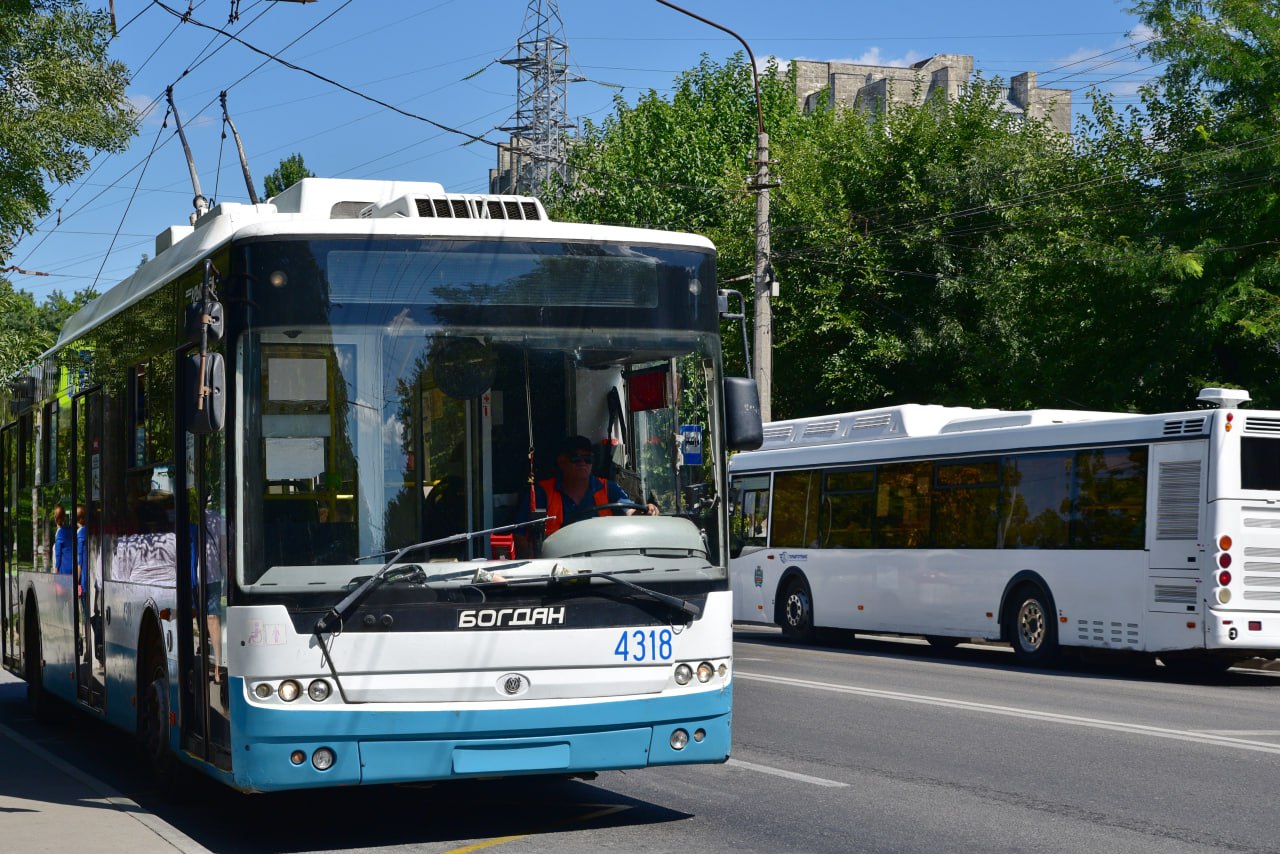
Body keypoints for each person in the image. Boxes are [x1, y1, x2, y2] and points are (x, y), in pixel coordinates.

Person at [516, 435, 658, 556]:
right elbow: (519, 535)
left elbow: (630, 512)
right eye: (576, 458)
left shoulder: (608, 488)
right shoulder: (541, 493)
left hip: (602, 560)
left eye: (587, 459)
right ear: (561, 461)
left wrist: (646, 510)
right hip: (556, 564)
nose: (582, 463)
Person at [52, 503, 73, 575]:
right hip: (73, 568)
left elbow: (58, 555)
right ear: (64, 517)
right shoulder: (70, 530)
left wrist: (56, 570)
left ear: (55, 517)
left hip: (63, 570)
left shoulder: (60, 533)